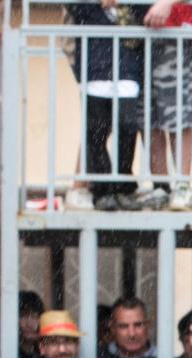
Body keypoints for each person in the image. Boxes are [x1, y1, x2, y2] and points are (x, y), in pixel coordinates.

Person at [64, 0, 150, 210]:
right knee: (96, 131)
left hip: (128, 65)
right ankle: (102, 188)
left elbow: (145, 10)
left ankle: (122, 186)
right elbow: (75, 7)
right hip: (95, 64)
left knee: (128, 126)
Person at [142, 0, 192, 211]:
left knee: (180, 115)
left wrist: (167, 3)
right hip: (143, 34)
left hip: (179, 34)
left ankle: (183, 187)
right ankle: (161, 187)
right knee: (150, 118)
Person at [18, 291, 46, 358]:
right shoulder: (4, 355)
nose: (29, 323)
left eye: (34, 316)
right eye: (23, 316)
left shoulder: (45, 354)